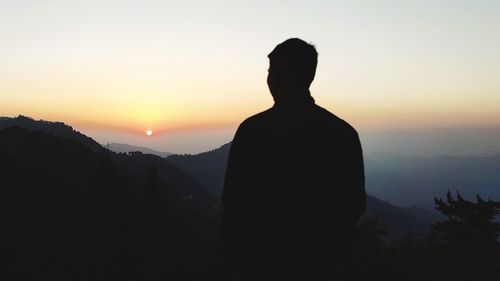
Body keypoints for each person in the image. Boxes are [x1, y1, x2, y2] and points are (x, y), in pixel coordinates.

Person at [222, 38, 366, 281]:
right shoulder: (342, 134)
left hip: (260, 265)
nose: (269, 79)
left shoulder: (253, 131)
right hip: (321, 265)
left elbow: (234, 204)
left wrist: (235, 265)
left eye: (273, 72)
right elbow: (352, 207)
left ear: (279, 77)